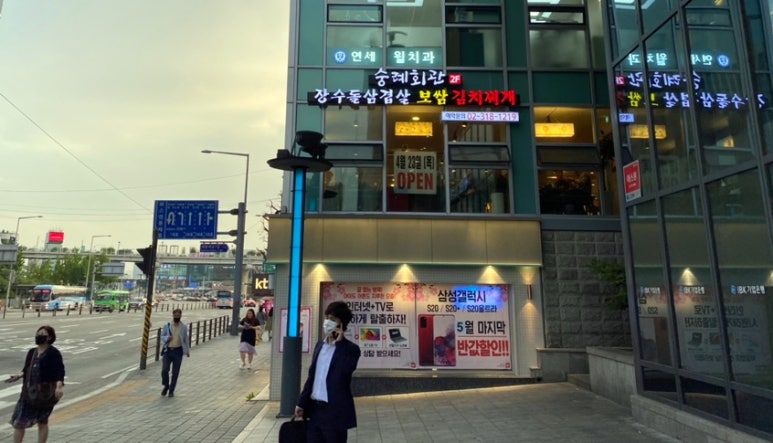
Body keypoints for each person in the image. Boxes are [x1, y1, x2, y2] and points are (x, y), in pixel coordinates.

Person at [295, 301, 361, 443]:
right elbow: (312, 377)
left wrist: (340, 344)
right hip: (314, 412)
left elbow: (345, 372)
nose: (327, 322)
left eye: (332, 319)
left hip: (335, 414)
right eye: (327, 317)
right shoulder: (320, 346)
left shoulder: (351, 350)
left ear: (341, 324)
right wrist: (301, 403)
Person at [7, 325, 65, 443]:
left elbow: (60, 371)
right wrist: (19, 375)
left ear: (49, 337)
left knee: (42, 422)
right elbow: (27, 368)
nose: (39, 336)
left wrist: (59, 387)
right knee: (19, 422)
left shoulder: (53, 353)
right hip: (28, 393)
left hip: (45, 394)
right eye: (38, 333)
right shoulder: (32, 352)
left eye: (42, 334)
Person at [160, 308, 190, 397]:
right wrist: (167, 338)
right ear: (173, 315)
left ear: (181, 315)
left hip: (178, 351)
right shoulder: (167, 325)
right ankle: (166, 385)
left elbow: (185, 339)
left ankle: (171, 390)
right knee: (164, 370)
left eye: (178, 315)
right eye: (175, 315)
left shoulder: (183, 327)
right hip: (168, 351)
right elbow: (162, 336)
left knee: (175, 372)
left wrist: (187, 351)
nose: (177, 316)